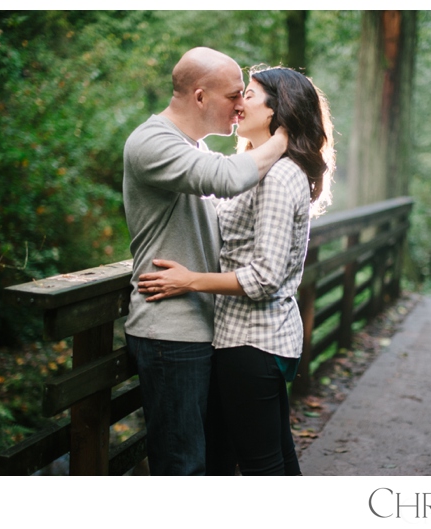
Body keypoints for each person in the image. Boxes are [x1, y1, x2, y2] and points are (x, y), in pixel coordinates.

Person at [138, 65, 335, 475]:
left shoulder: (281, 176)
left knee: (262, 467)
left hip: (253, 343)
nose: (239, 102)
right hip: (245, 341)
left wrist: (189, 280)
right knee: (275, 459)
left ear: (277, 110)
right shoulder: (259, 170)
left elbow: (264, 276)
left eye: (249, 94)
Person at [122, 48, 288, 476]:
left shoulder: (188, 147)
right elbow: (230, 178)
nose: (240, 104)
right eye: (234, 94)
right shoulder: (152, 141)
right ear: (199, 97)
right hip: (170, 329)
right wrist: (288, 136)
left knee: (211, 462)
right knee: (183, 467)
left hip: (199, 327)